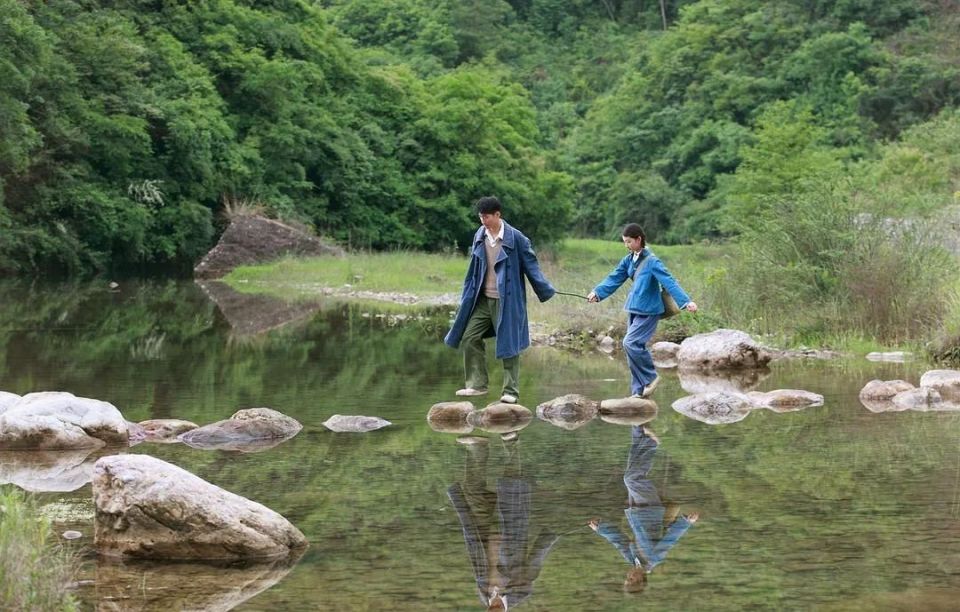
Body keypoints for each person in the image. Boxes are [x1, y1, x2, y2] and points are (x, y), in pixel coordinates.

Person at [444, 196, 556, 404]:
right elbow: (474, 267)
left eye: (487, 217)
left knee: (509, 345)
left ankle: (511, 392)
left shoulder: (516, 238)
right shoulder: (480, 235)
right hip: (482, 299)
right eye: (481, 217)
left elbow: (531, 266)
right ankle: (477, 385)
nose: (483, 221)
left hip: (507, 301)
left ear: (498, 215)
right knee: (469, 336)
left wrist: (545, 289)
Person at [587, 224, 697, 398]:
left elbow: (669, 281)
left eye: (629, 241)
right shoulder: (629, 260)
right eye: (624, 242)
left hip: (649, 310)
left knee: (630, 343)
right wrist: (597, 293)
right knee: (632, 349)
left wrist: (686, 302)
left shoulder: (652, 261)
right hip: (633, 308)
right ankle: (638, 391)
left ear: (639, 239)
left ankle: (651, 377)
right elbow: (614, 278)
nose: (626, 245)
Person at [448, 438, 559, 610]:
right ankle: (511, 442)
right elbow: (534, 562)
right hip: (510, 531)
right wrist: (549, 537)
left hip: (482, 532)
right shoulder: (520, 593)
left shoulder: (483, 594)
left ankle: (479, 448)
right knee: (511, 484)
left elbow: (477, 561)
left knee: (472, 491)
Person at [588, 426, 699, 594]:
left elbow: (619, 541)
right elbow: (670, 540)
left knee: (630, 469)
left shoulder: (633, 560)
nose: (628, 576)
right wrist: (686, 522)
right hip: (650, 510)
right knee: (632, 478)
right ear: (641, 579)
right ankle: (652, 443)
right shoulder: (654, 559)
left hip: (635, 511)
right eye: (631, 579)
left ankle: (638, 430)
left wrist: (600, 528)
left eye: (627, 579)